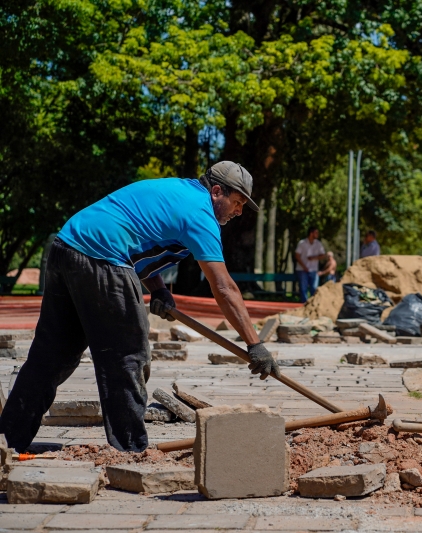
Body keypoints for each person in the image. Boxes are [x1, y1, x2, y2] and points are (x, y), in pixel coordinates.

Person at [0, 162, 280, 453]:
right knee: (127, 356)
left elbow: (137, 239)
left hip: (67, 246)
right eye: (237, 203)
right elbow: (223, 287)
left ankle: (8, 441)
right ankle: (131, 452)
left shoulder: (177, 192)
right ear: (217, 191)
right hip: (102, 257)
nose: (239, 212)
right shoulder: (201, 214)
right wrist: (254, 344)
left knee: (52, 355)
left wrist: (158, 289)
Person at [294, 227, 326, 302]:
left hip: (314, 270)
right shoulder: (302, 243)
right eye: (316, 233)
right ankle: (304, 304)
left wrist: (314, 258)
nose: (317, 234)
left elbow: (323, 255)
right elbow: (297, 256)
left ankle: (312, 303)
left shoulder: (318, 244)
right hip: (302, 270)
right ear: (311, 233)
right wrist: (304, 266)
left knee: (314, 288)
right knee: (303, 288)